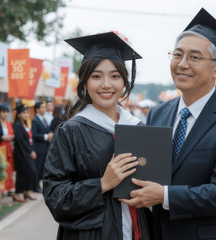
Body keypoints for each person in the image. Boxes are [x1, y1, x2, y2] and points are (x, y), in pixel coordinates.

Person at [120, 8, 216, 239]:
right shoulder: (158, 113)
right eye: (177, 55)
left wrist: (164, 196)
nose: (182, 64)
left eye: (194, 57)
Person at [43, 32, 152, 240]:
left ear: (124, 82)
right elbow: (54, 196)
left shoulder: (138, 128)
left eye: (114, 76)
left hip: (137, 232)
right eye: (96, 76)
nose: (106, 84)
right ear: (84, 83)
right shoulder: (71, 131)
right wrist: (102, 184)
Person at [12, 103, 38, 202]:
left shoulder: (25, 124)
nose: (26, 114)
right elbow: (20, 140)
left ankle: (27, 191)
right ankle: (16, 193)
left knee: (29, 172)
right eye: (23, 113)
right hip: (21, 153)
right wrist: (30, 151)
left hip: (27, 152)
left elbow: (29, 139)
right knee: (23, 173)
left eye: (27, 112)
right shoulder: (18, 125)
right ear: (18, 114)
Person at [32, 101, 53, 193]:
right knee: (37, 167)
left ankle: (38, 185)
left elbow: (47, 130)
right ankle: (35, 186)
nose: (45, 109)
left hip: (44, 148)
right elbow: (34, 134)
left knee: (42, 168)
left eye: (45, 107)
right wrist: (46, 136)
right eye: (43, 107)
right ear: (37, 109)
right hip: (39, 148)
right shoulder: (35, 120)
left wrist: (50, 134)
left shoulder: (43, 119)